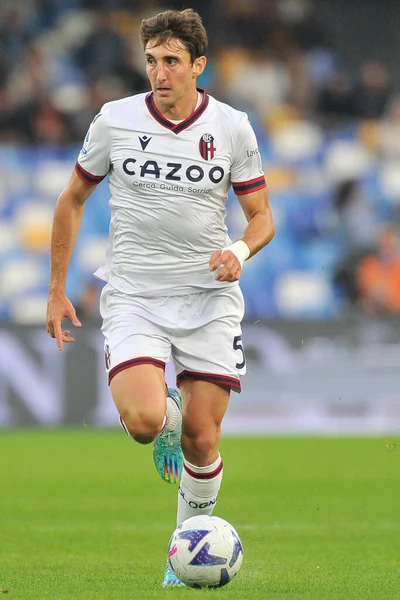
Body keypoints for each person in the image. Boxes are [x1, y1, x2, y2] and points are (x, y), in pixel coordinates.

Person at [46, 8, 275, 587]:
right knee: (149, 422)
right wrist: (56, 289)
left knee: (203, 436)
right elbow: (71, 199)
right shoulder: (115, 121)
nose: (160, 72)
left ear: (199, 64)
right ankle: (164, 422)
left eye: (172, 61)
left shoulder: (231, 127)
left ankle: (183, 561)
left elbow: (261, 217)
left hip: (208, 298)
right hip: (135, 295)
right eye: (151, 60)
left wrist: (239, 253)